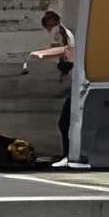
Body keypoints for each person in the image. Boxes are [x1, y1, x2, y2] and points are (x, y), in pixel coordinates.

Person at [34, 8, 82, 166]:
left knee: (65, 122)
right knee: (68, 121)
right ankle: (70, 154)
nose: (48, 31)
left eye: (47, 26)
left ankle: (69, 154)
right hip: (76, 80)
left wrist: (43, 54)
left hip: (76, 82)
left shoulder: (58, 31)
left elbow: (65, 52)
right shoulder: (66, 32)